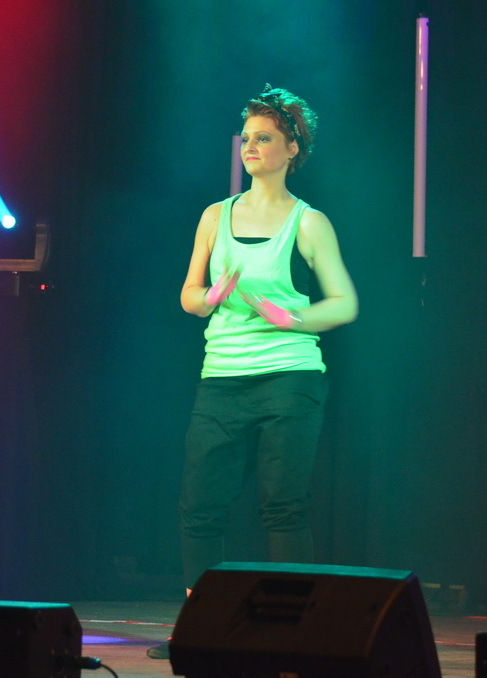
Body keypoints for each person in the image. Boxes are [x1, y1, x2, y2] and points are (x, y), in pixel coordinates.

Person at [149, 85, 357, 659]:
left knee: (282, 503)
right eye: (246, 138)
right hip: (222, 377)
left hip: (290, 376)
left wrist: (293, 318)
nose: (251, 147)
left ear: (292, 148)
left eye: (264, 138)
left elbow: (344, 303)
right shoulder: (215, 216)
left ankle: (291, 631)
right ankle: (202, 627)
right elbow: (189, 296)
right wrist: (210, 296)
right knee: (200, 504)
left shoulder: (309, 223)